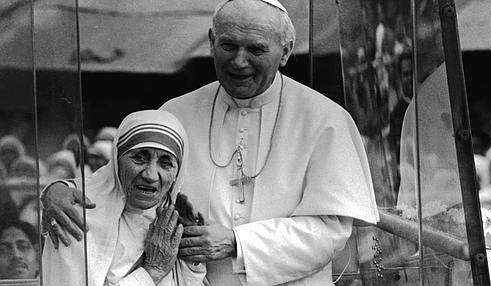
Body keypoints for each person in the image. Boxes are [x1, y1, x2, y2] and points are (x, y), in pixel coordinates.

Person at [42, 1, 379, 285]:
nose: (239, 61)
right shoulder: (176, 112)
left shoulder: (326, 120)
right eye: (228, 46)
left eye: (257, 49)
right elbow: (122, 181)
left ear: (286, 51)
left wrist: (237, 243)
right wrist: (58, 188)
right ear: (211, 42)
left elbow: (331, 233)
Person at [42, 110, 206, 286]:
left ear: (177, 174)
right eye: (139, 158)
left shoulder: (177, 220)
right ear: (116, 159)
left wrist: (191, 260)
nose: (150, 175)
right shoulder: (76, 214)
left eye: (166, 163)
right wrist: (152, 272)